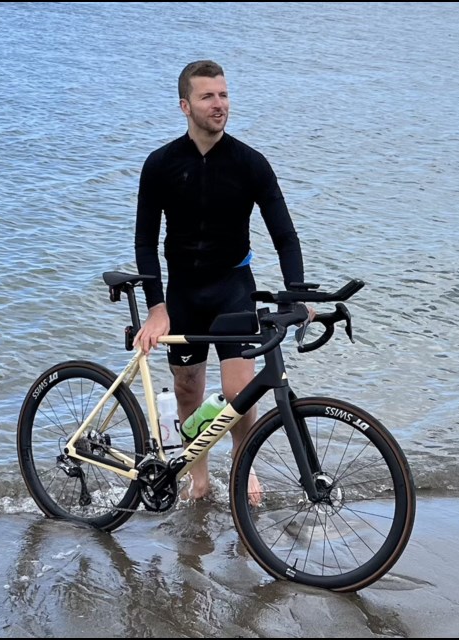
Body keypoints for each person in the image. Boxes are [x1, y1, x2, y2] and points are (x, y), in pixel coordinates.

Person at [132, 60, 306, 503]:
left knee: (238, 393)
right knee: (189, 387)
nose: (220, 104)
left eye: (224, 95)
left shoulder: (250, 163)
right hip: (183, 293)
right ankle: (199, 475)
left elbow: (284, 234)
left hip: (232, 287)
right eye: (209, 96)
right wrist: (157, 307)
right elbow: (145, 242)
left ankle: (243, 468)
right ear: (185, 106)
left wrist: (298, 293)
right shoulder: (161, 165)